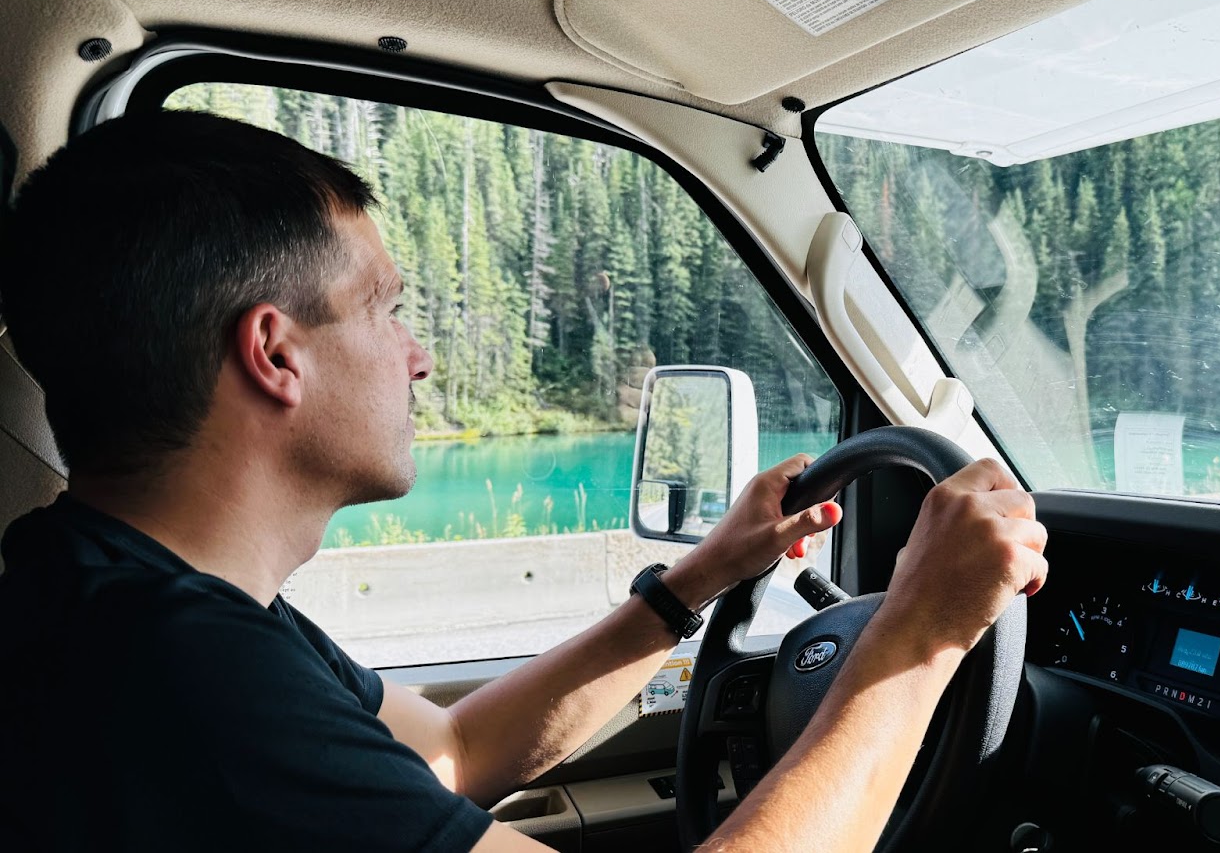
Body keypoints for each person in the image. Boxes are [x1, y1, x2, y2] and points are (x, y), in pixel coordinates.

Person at [0, 110, 1048, 852]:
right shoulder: (174, 671)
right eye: (382, 307)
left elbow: (454, 752)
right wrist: (916, 638)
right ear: (276, 355)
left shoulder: (130, 595)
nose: (415, 355)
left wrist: (697, 584)